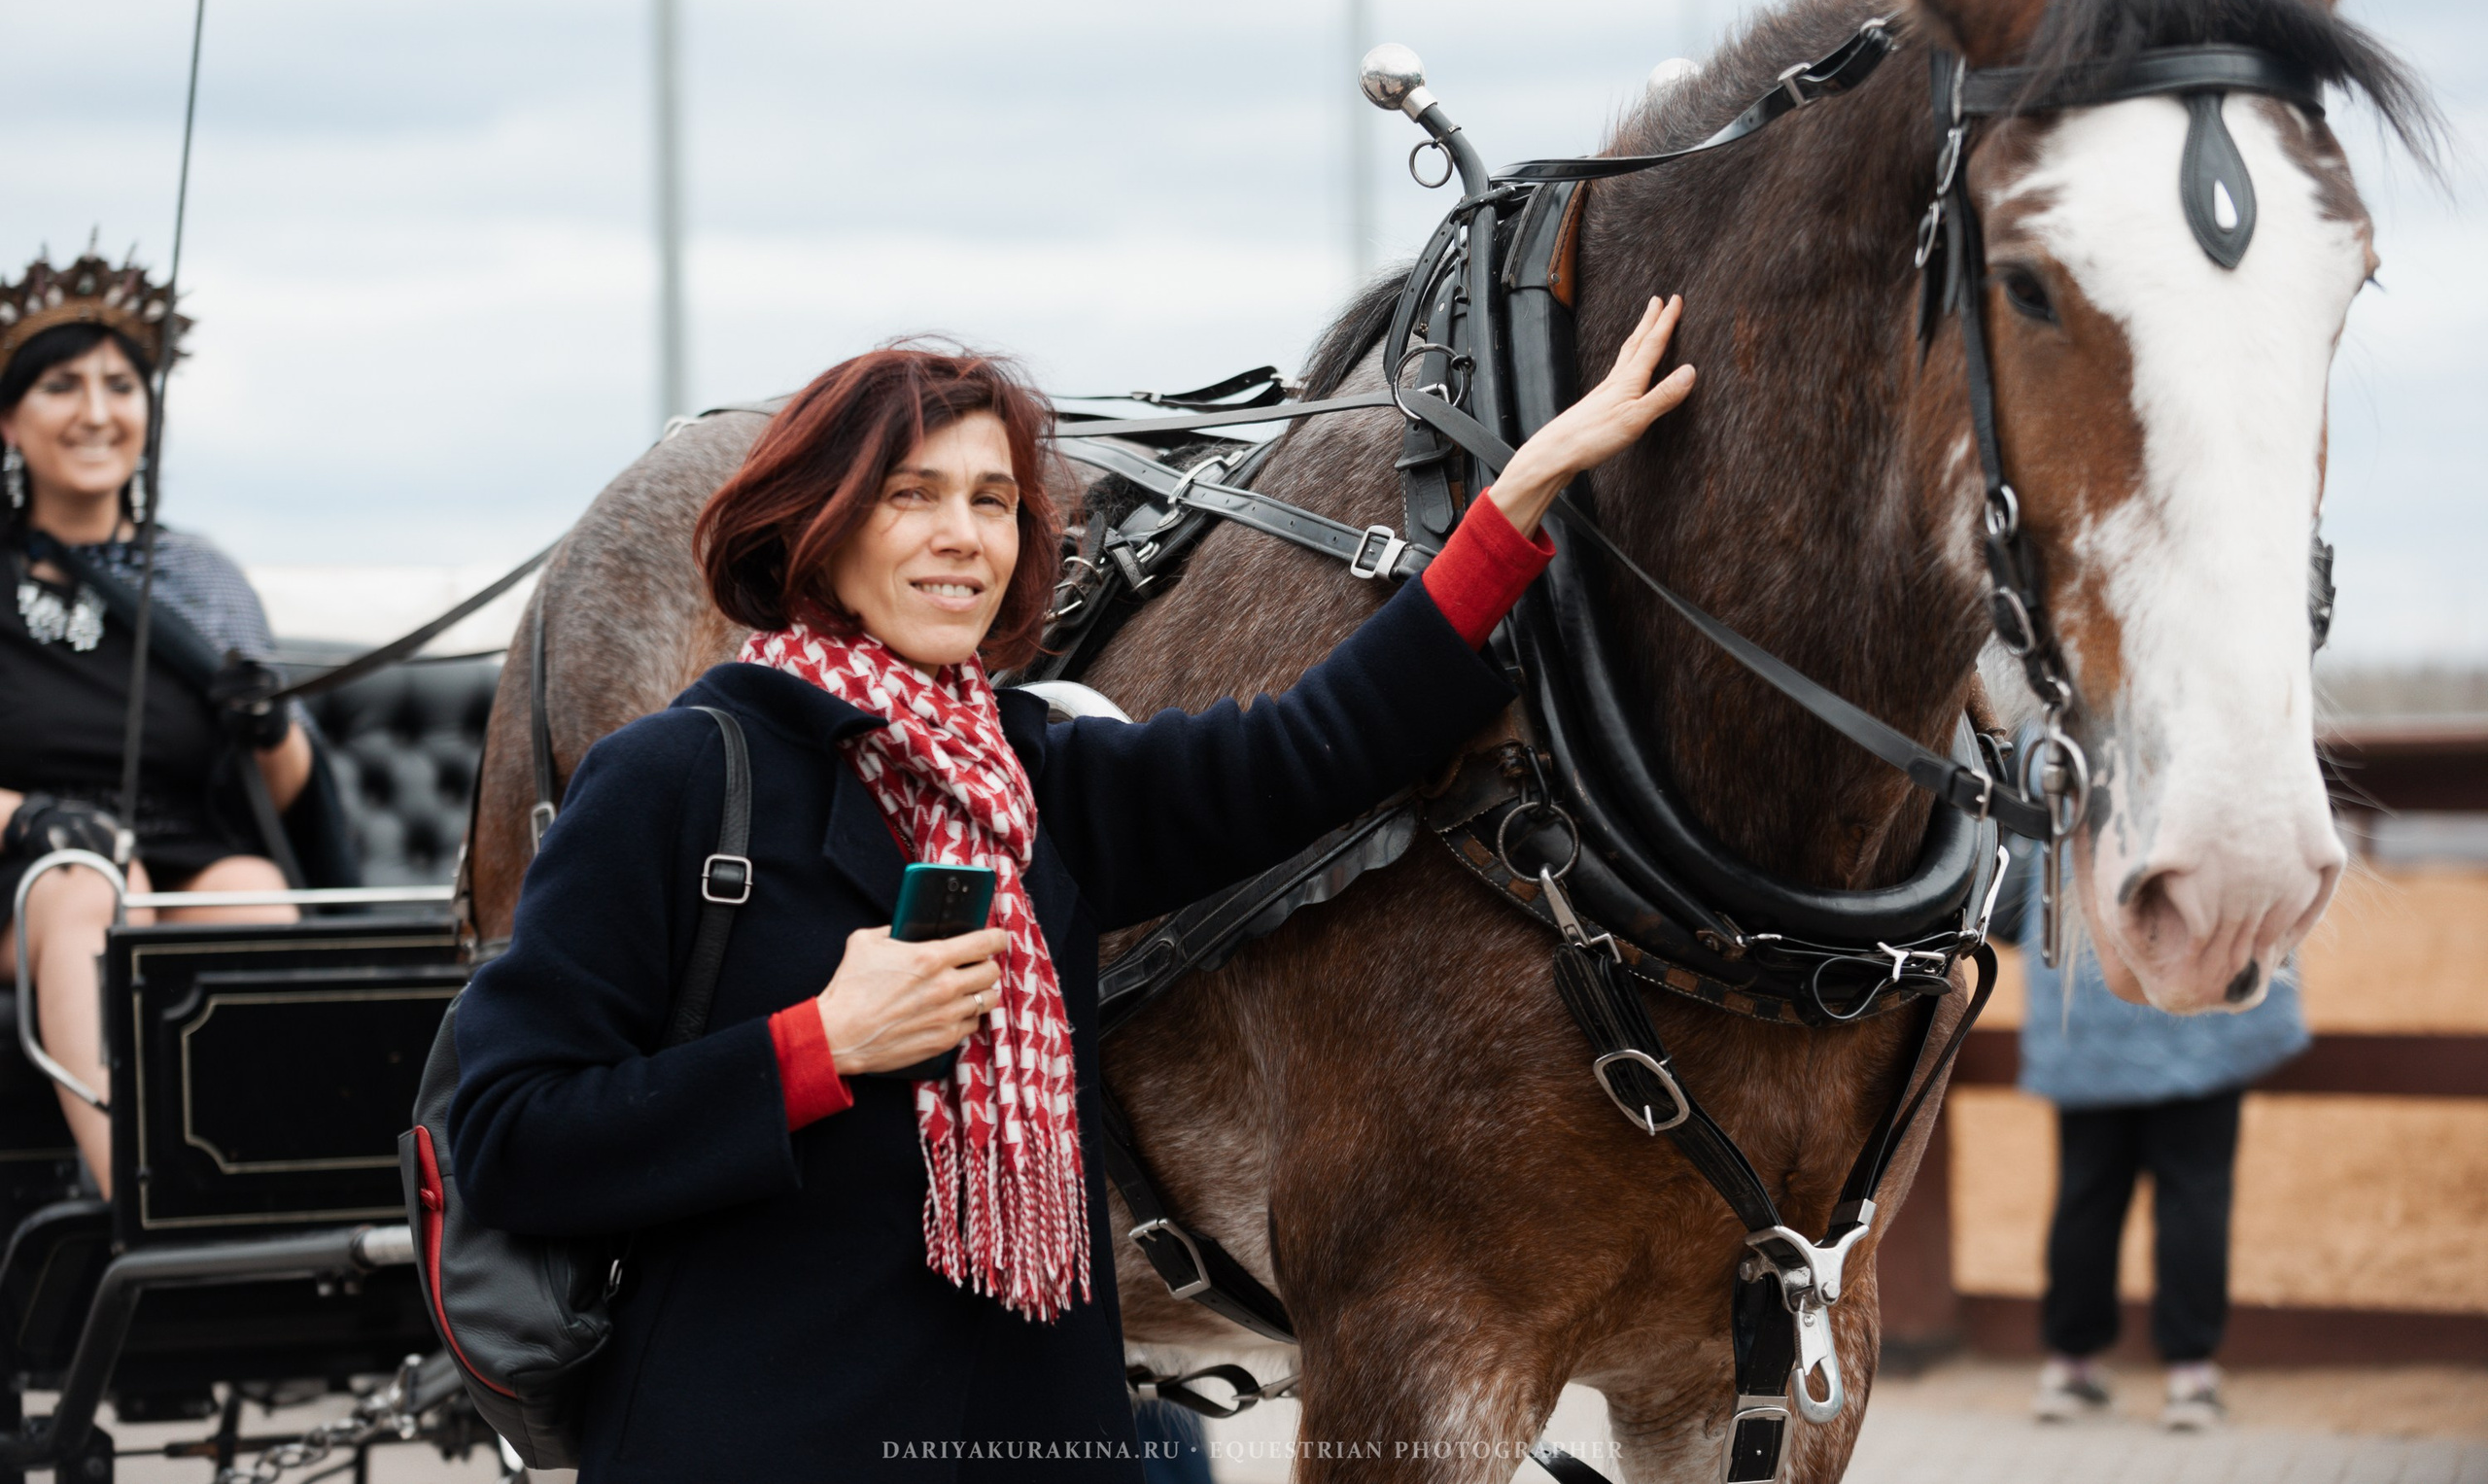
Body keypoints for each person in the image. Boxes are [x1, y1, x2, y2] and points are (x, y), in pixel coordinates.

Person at [449, 301, 1698, 1481]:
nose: (964, 534)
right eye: (912, 495)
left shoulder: (1034, 772)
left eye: (993, 499)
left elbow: (1304, 750)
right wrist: (819, 1044)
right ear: (816, 527)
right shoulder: (673, 778)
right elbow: (509, 1137)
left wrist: (1515, 501)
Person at [0, 247, 348, 1194]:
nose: (96, 411)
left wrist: (268, 726)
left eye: (121, 385)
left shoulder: (201, 579)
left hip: (178, 848)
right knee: (91, 881)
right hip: (30, 866)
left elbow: (286, 792)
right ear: (10, 420)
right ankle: (144, 1203)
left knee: (250, 889)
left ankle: (260, 1191)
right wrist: (32, 818)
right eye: (62, 385)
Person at [2006, 786, 2310, 1431]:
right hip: (2197, 1003)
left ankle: (2070, 1363)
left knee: (2086, 1192)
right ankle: (2190, 1375)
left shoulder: (2057, 736)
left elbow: (2018, 841)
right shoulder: (2212, 738)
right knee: (2195, 1191)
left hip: (2085, 1007)